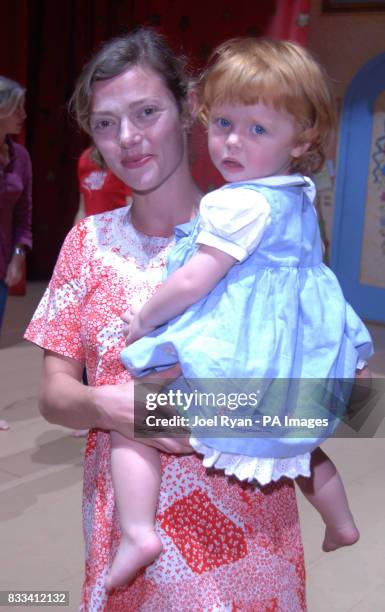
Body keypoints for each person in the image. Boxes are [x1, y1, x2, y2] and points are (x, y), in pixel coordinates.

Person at [25, 29, 307, 610]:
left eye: (146, 112)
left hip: (249, 552)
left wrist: (198, 411)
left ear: (189, 109)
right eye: (105, 124)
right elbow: (54, 395)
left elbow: (333, 400)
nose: (127, 139)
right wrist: (110, 405)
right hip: (130, 552)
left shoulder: (263, 236)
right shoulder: (87, 244)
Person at [117, 38, 374, 590]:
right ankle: (342, 522)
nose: (233, 142)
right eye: (224, 123)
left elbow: (195, 279)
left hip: (244, 357)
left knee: (137, 416)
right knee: (302, 445)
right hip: (293, 361)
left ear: (303, 137)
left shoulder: (239, 202)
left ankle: (137, 530)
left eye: (258, 130)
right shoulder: (297, 194)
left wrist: (144, 318)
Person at [0, 76, 32, 431]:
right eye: (18, 108)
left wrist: (19, 253)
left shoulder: (21, 157)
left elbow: (25, 212)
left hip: (2, 263)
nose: (23, 115)